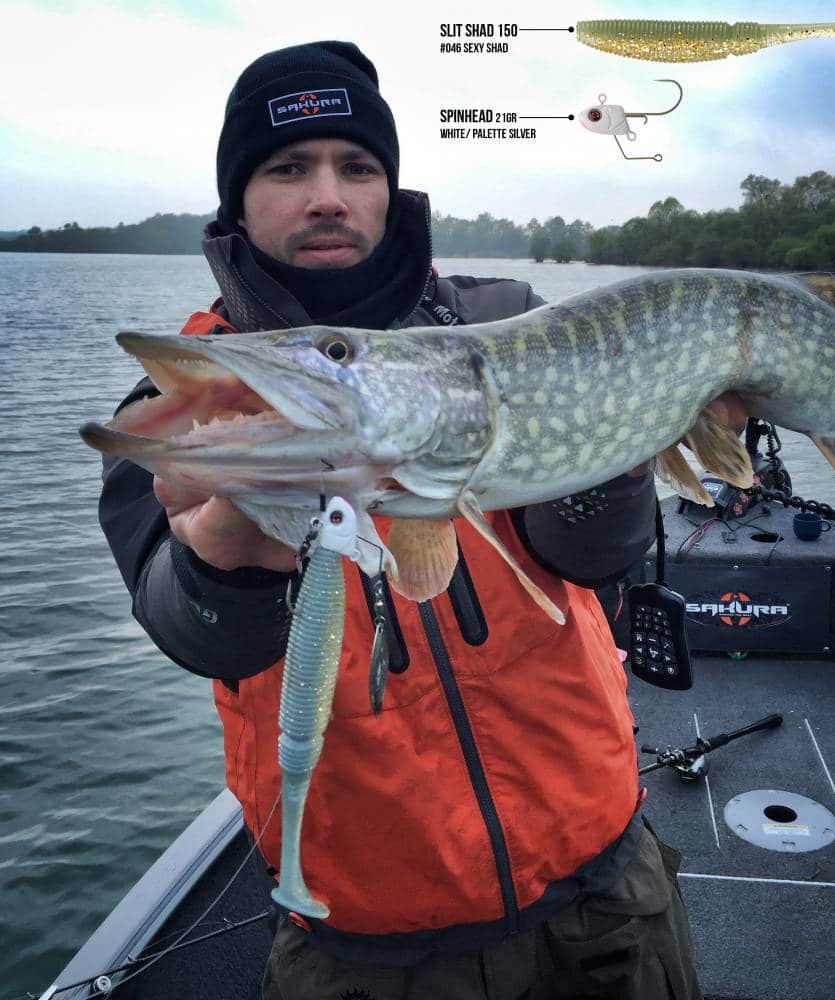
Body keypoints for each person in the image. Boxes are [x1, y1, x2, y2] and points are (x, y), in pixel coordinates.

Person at [97, 41, 709, 1000]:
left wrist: (622, 446)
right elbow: (188, 632)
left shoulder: (511, 318)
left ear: (390, 189)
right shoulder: (189, 398)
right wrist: (229, 563)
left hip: (601, 884)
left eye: (358, 166)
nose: (327, 195)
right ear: (239, 200)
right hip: (362, 937)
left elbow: (594, 554)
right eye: (288, 168)